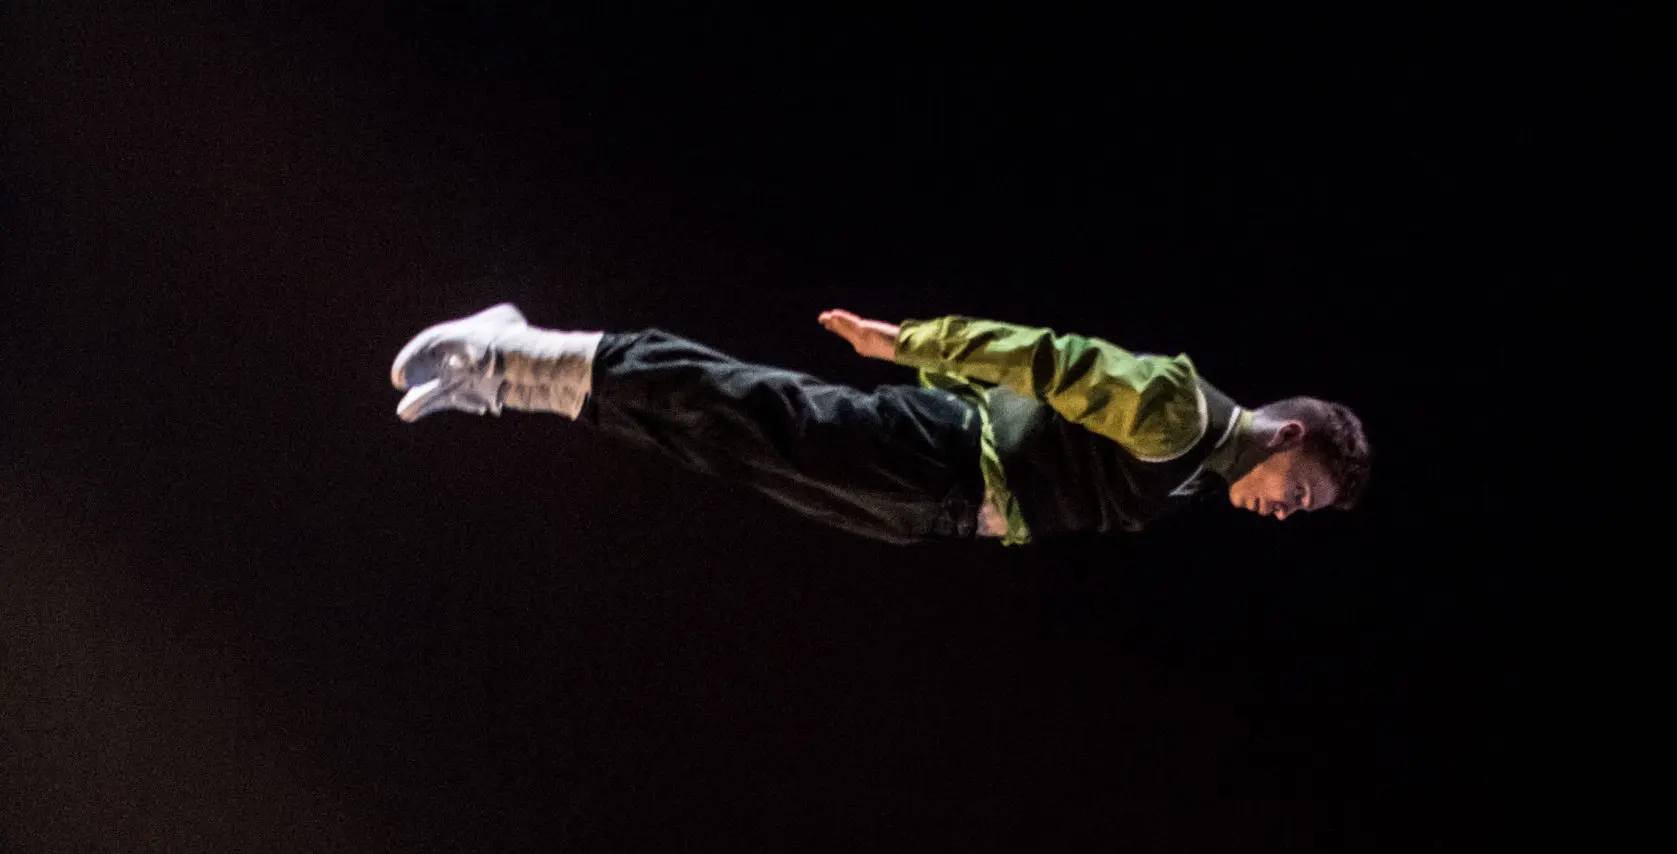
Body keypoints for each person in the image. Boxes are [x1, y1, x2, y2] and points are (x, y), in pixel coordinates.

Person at [389, 301, 1369, 545]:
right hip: (945, 455)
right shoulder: (1180, 414)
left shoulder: (1195, 470)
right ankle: (512, 348)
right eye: (1302, 496)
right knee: (755, 409)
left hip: (936, 507)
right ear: (1287, 441)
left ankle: (510, 380)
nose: (1286, 514)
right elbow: (1047, 359)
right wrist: (909, 342)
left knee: (727, 445)